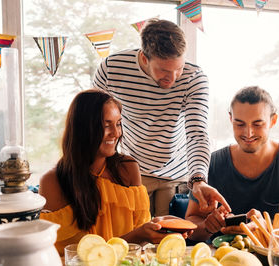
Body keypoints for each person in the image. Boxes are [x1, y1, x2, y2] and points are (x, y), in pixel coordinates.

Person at [93, 19, 230, 216]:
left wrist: (198, 179)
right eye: (164, 70)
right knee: (133, 240)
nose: (172, 78)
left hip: (177, 175)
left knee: (172, 240)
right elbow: (94, 122)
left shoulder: (194, 78)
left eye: (178, 69)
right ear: (144, 58)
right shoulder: (111, 69)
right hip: (130, 171)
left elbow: (197, 134)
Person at [39, 89, 191, 256]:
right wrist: (140, 234)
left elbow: (139, 239)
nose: (117, 133)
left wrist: (156, 226)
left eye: (118, 123)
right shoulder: (52, 181)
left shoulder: (128, 168)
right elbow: (67, 255)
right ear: (83, 128)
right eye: (106, 125)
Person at [185, 86, 279, 241]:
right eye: (240, 124)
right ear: (230, 119)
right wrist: (207, 226)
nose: (248, 133)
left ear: (273, 121)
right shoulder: (213, 163)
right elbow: (190, 224)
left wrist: (269, 226)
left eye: (257, 124)